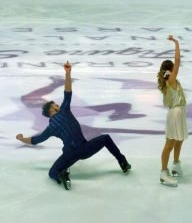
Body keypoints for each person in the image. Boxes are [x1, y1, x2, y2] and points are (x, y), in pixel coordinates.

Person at [16, 61, 131, 190]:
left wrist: (21, 138)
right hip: (84, 149)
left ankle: (61, 175)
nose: (59, 106)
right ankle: (123, 162)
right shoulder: (64, 110)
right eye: (56, 106)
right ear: (53, 110)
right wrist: (68, 73)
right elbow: (67, 92)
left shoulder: (50, 129)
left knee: (52, 172)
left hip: (69, 154)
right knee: (106, 139)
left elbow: (35, 140)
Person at [157, 35, 188, 187]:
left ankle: (175, 164)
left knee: (179, 139)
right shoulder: (171, 79)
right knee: (170, 143)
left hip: (179, 112)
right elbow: (178, 61)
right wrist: (176, 43)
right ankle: (163, 173)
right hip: (176, 113)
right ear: (170, 70)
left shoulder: (169, 80)